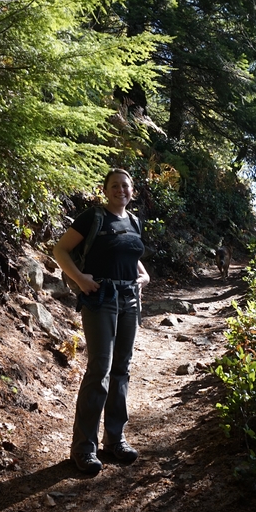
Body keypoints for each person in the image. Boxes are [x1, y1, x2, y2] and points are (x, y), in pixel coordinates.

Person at [52, 168, 151, 474]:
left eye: (126, 185)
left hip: (130, 300)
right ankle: (83, 448)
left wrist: (144, 275)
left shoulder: (134, 221)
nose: (121, 190)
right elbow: (60, 250)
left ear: (132, 190)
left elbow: (129, 254)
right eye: (115, 185)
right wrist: (80, 279)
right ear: (105, 190)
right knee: (100, 370)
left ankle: (115, 439)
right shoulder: (93, 218)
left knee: (122, 369)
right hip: (100, 298)